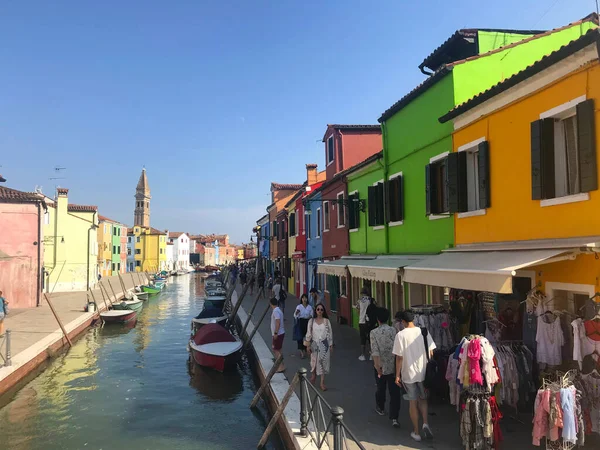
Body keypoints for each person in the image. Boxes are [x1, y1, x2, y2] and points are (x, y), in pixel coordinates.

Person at [393, 311, 435, 442]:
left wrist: (397, 375)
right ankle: (425, 423)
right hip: (423, 372)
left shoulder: (400, 335)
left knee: (412, 402)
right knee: (423, 399)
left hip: (408, 373)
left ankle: (416, 432)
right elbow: (431, 351)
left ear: (403, 322)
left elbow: (399, 357)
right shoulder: (423, 332)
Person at [370, 307, 401, 427]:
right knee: (394, 392)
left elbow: (375, 351)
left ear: (378, 319)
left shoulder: (373, 333)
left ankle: (381, 407)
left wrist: (377, 367)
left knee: (380, 388)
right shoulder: (394, 330)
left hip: (381, 366)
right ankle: (394, 418)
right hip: (393, 365)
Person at [304, 303, 333, 391]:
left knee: (323, 362)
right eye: (318, 309)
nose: (320, 311)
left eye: (321, 310)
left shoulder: (326, 321)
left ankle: (322, 382)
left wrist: (331, 345)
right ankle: (313, 375)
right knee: (314, 361)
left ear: (323, 311)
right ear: (315, 310)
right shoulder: (311, 321)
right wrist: (308, 345)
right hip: (314, 344)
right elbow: (308, 334)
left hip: (324, 344)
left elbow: (330, 334)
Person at [355, 286, 375, 361]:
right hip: (369, 321)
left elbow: (358, 311)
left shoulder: (359, 300)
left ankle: (363, 355)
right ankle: (371, 355)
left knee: (362, 338)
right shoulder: (371, 300)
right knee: (370, 338)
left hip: (362, 321)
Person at [294, 294, 313, 358]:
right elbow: (295, 315)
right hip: (300, 322)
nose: (304, 299)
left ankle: (305, 349)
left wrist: (309, 317)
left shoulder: (309, 307)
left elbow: (312, 315)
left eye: (305, 298)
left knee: (307, 337)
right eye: (303, 298)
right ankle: (301, 352)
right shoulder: (299, 306)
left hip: (307, 322)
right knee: (300, 337)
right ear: (301, 299)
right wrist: (297, 313)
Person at [270, 297, 286, 373]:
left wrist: (275, 333)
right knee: (279, 349)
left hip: (278, 333)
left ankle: (281, 366)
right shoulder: (279, 310)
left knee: (275, 349)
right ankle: (281, 364)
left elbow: (277, 322)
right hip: (281, 333)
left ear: (271, 304)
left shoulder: (275, 311)